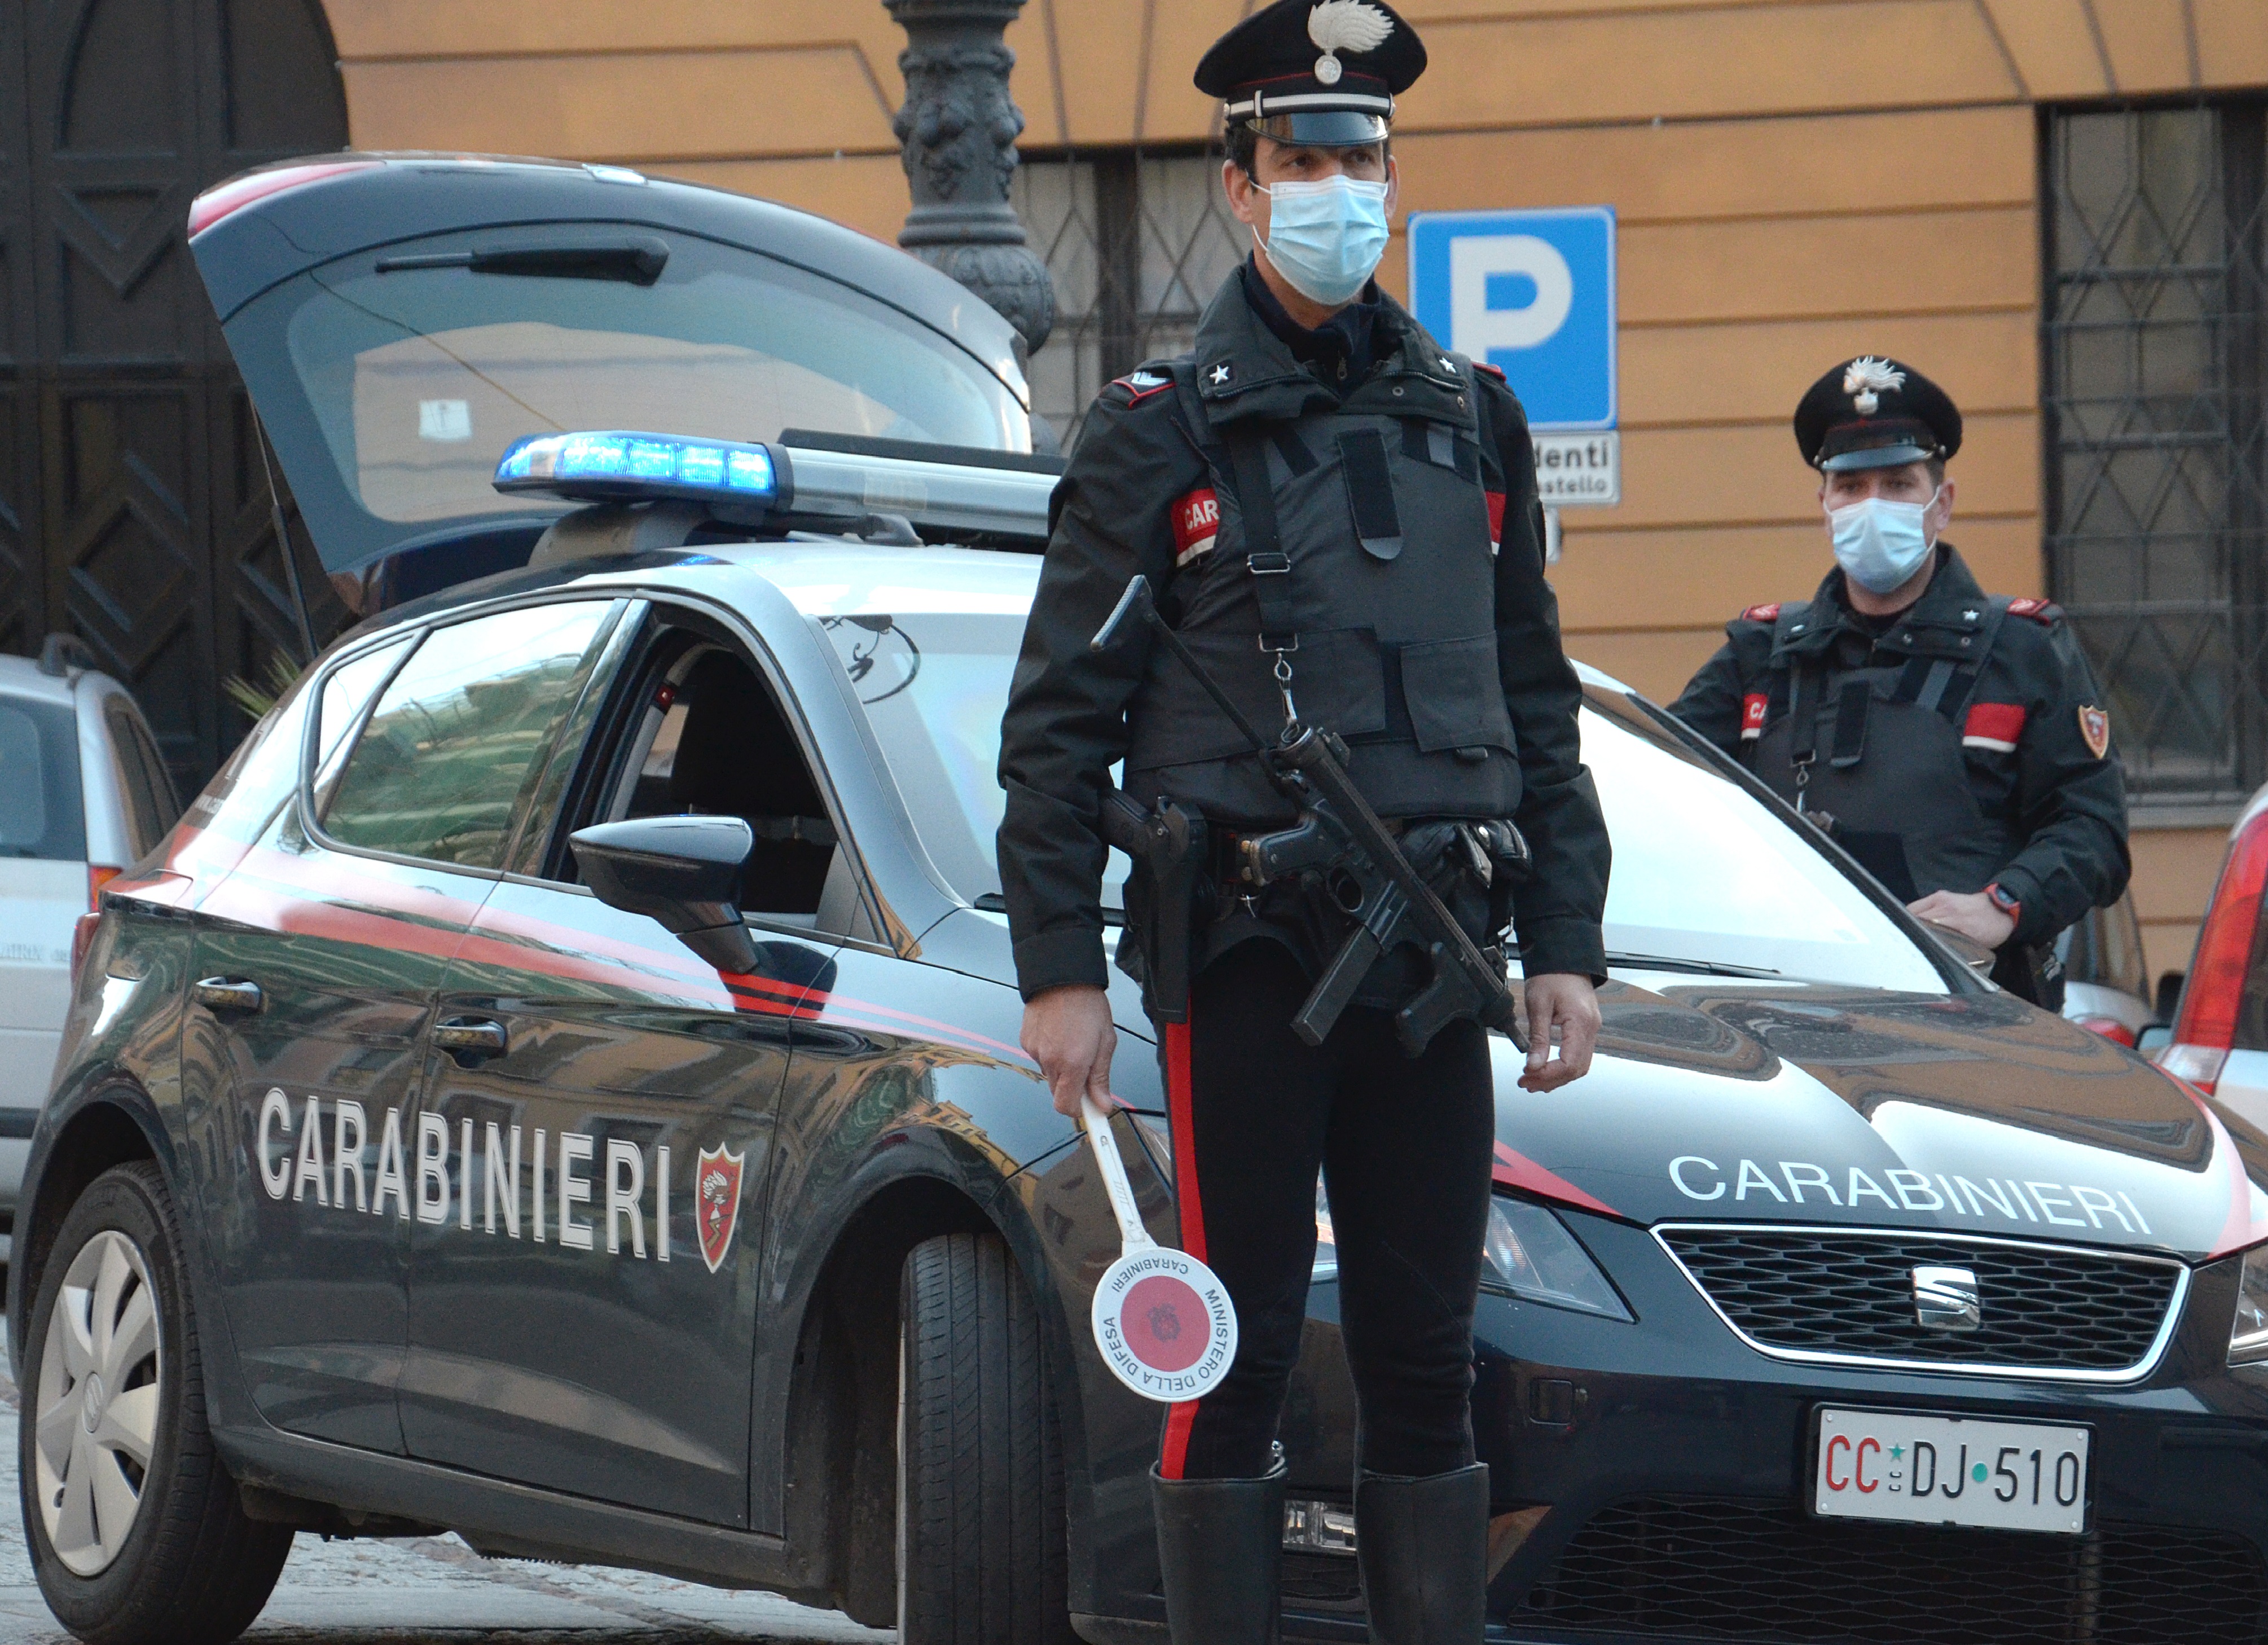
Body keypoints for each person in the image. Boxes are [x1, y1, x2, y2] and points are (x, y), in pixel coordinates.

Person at [995, 2, 1610, 1639]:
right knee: (1240, 1344)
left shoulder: (1468, 416)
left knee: (1424, 1351)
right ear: (1242, 187)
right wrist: (1056, 963)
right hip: (1251, 949)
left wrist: (1563, 940)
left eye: (1364, 155)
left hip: (1435, 954)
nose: (1341, 184)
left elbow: (1535, 700)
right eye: (1304, 157)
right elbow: (1056, 722)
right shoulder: (1157, 429)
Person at [1671, 356, 2129, 1008]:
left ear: (1941, 505)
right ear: (1824, 505)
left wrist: (2005, 905)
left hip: (1974, 1018)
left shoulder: (2024, 649)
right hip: (1789, 1013)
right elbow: (1666, 790)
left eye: (1898, 484)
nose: (1871, 506)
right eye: (1851, 488)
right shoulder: (1763, 652)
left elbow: (2093, 827)